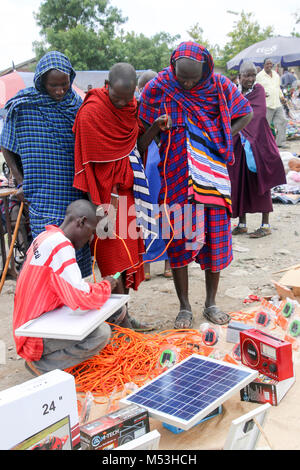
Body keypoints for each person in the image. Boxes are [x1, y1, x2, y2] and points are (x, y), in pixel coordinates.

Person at [139, 42, 253, 328]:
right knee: (179, 240)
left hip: (212, 177)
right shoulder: (159, 87)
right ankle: (184, 307)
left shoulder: (219, 85)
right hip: (175, 175)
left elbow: (245, 112)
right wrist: (157, 126)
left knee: (215, 239)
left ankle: (211, 302)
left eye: (194, 77)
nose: (188, 83)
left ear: (206, 69)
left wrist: (223, 137)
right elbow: (141, 135)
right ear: (172, 67)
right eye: (183, 77)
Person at [73, 62, 171, 331]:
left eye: (127, 99)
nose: (121, 104)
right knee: (112, 263)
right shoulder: (91, 113)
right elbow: (88, 163)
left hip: (130, 195)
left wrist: (153, 128)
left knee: (128, 262)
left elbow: (136, 147)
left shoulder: (130, 109)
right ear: (106, 86)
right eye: (117, 98)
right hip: (105, 200)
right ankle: (114, 325)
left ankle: (123, 319)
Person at [0, 51, 92, 278]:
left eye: (64, 84)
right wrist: (20, 181)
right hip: (41, 193)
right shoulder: (23, 107)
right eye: (53, 85)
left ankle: (76, 301)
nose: (60, 91)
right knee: (50, 249)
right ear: (41, 81)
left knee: (75, 248)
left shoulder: (76, 106)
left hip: (73, 191)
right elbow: (6, 144)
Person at [13, 199, 121, 376]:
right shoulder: (61, 246)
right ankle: (44, 365)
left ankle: (54, 361)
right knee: (101, 333)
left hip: (28, 327)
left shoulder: (46, 237)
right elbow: (81, 299)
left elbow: (64, 286)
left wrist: (92, 288)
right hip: (32, 338)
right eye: (91, 231)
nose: (91, 239)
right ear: (81, 222)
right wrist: (106, 285)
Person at [228, 62, 286, 238]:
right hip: (240, 146)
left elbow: (257, 115)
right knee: (239, 182)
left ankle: (265, 224)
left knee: (261, 183)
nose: (251, 79)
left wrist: (238, 122)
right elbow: (230, 115)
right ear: (240, 76)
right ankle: (242, 223)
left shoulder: (258, 90)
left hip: (258, 144)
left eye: (253, 75)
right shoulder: (235, 93)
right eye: (247, 75)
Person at [137, 70, 172, 281]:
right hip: (147, 169)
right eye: (143, 87)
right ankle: (146, 265)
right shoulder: (138, 109)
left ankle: (169, 263)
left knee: (171, 214)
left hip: (167, 167)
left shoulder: (170, 106)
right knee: (145, 215)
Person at [256, 58, 288, 148]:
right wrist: (261, 94)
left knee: (283, 121)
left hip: (277, 104)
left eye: (271, 64)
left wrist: (282, 97)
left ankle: (280, 143)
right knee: (265, 126)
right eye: (267, 64)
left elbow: (278, 88)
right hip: (266, 105)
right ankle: (263, 144)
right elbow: (256, 89)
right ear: (264, 65)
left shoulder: (276, 75)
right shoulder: (259, 76)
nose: (269, 65)